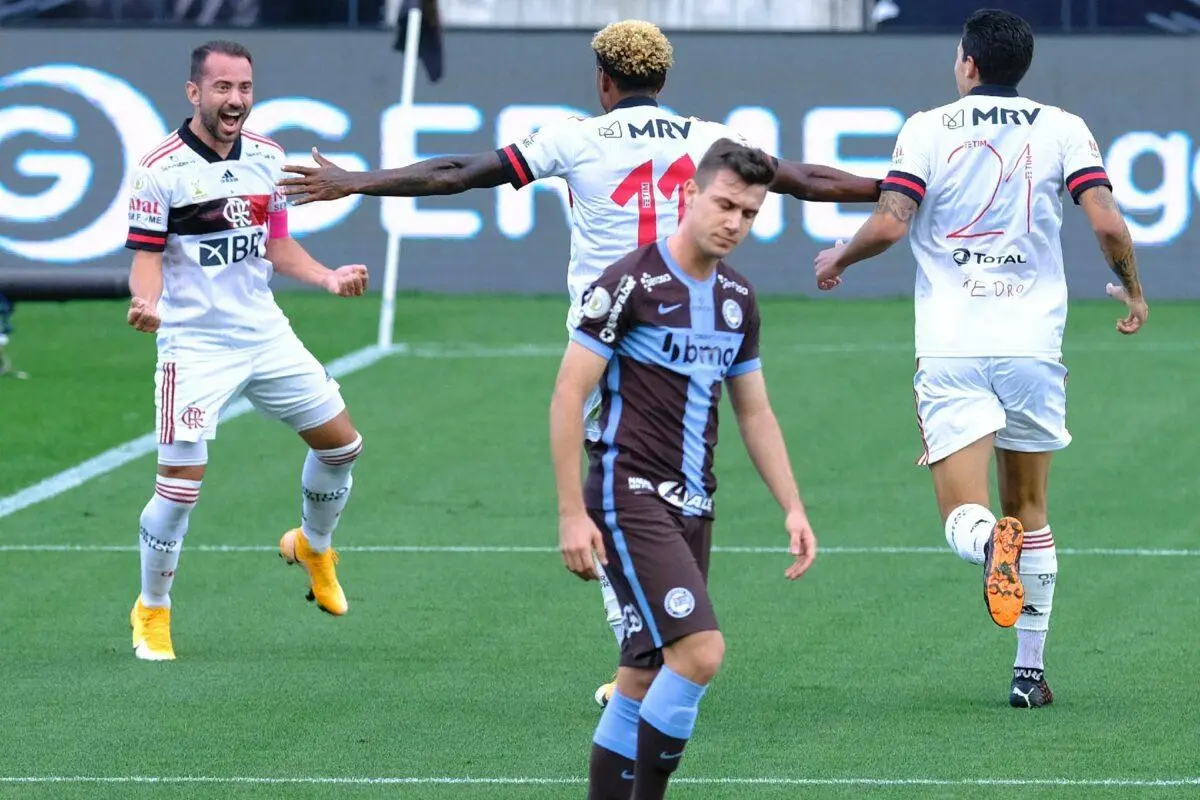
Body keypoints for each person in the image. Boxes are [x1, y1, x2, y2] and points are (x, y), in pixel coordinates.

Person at [279, 19, 872, 704]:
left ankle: (641, 658)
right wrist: (899, 189)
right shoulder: (708, 139)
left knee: (618, 488)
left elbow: (456, 174)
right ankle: (652, 650)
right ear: (664, 81)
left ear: (602, 81)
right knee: (679, 479)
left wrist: (356, 181)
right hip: (687, 333)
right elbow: (808, 178)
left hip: (613, 334)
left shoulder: (573, 136)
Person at [813, 8, 1148, 708]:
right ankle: (1029, 674)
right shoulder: (1064, 127)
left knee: (964, 516)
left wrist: (839, 257)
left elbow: (889, 222)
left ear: (968, 63)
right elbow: (1109, 221)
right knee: (1032, 508)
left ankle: (985, 542)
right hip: (1032, 346)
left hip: (952, 345)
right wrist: (1134, 293)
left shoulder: (927, 128)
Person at [551, 138, 818, 800]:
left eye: (750, 213)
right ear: (688, 196)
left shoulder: (736, 298)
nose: (735, 222)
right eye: (725, 203)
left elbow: (754, 412)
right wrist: (571, 512)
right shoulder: (627, 284)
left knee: (641, 675)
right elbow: (567, 394)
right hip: (625, 493)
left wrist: (792, 505)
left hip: (694, 503)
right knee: (699, 653)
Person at [125, 40, 371, 661]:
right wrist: (147, 303)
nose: (236, 101)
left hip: (264, 332)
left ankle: (313, 545)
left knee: (342, 445)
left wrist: (326, 277)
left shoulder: (268, 156)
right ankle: (152, 610)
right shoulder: (159, 169)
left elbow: (277, 246)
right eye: (223, 89)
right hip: (195, 344)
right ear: (194, 93)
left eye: (244, 89)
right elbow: (146, 261)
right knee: (180, 489)